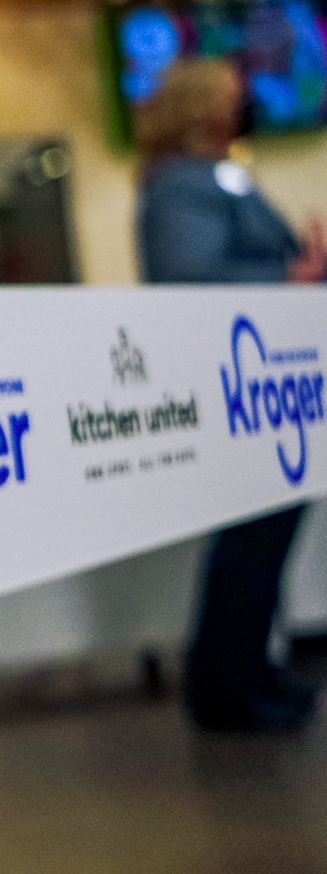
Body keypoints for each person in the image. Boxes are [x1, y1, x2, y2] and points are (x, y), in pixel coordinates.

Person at [134, 58, 326, 732]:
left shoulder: (223, 172)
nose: (246, 105)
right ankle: (226, 685)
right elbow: (187, 276)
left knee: (268, 534)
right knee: (249, 534)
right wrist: (289, 276)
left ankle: (250, 672)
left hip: (266, 383)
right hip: (231, 385)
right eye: (233, 97)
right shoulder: (177, 185)